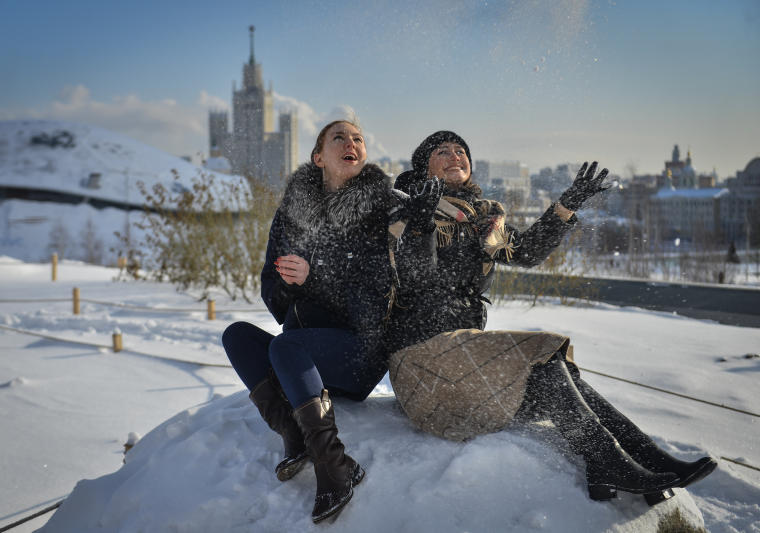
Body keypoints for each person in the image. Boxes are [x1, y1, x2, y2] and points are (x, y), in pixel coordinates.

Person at [387, 131, 716, 503]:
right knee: (542, 351)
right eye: (441, 151)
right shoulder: (407, 210)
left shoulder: (482, 218)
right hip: (422, 364)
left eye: (461, 151)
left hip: (465, 364)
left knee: (558, 375)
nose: (455, 156)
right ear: (422, 167)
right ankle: (607, 460)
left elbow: (525, 251)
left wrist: (565, 206)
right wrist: (423, 221)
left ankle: (645, 458)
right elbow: (417, 277)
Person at [221, 120, 437, 523]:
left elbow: (379, 292)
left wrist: (314, 275)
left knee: (287, 345)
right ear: (319, 156)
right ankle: (293, 433)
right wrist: (289, 285)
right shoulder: (292, 213)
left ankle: (335, 465)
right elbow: (271, 285)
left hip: (359, 354)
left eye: (358, 138)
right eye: (339, 137)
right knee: (237, 336)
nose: (350, 143)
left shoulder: (382, 209)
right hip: (303, 355)